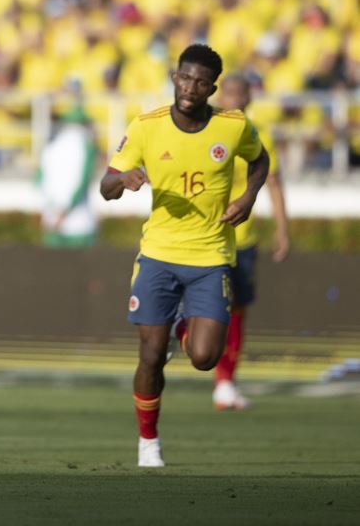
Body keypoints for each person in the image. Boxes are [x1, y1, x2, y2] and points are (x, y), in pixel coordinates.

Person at [99, 44, 269, 468]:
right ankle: (148, 441)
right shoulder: (146, 126)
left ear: (213, 87)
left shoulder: (233, 127)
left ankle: (182, 329)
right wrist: (123, 179)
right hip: (158, 255)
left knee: (205, 358)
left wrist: (249, 197)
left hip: (210, 256)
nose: (189, 88)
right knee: (151, 356)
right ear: (174, 77)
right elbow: (105, 184)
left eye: (200, 82)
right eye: (183, 78)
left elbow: (260, 160)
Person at [212, 73, 290, 410]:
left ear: (248, 98)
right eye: (227, 93)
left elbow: (273, 182)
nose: (233, 99)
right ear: (219, 96)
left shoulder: (259, 134)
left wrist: (282, 228)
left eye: (239, 94)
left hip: (242, 239)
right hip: (207, 238)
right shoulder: (205, 128)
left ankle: (225, 381)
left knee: (237, 310)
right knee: (210, 307)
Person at [39, 109, 98, 248]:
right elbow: (82, 181)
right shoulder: (86, 145)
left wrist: (52, 211)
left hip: (51, 220)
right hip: (79, 224)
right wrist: (63, 211)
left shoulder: (51, 145)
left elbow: (39, 180)